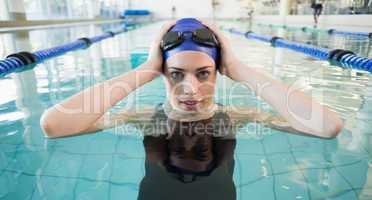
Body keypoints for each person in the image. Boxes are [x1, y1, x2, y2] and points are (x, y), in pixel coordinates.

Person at [40, 18, 343, 140]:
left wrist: (240, 70)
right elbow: (54, 126)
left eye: (203, 74)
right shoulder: (145, 118)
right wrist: (145, 69)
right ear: (161, 73)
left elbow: (329, 127)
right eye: (175, 74)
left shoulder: (237, 117)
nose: (191, 90)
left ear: (218, 70)